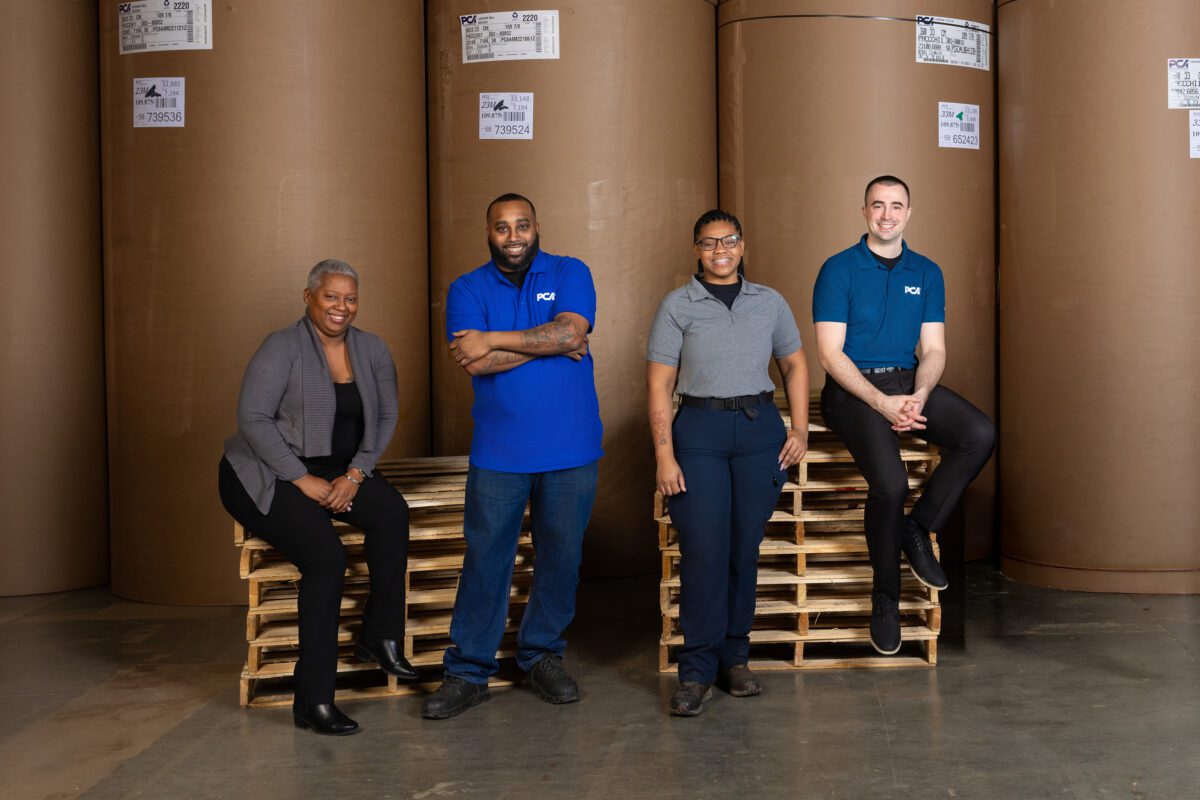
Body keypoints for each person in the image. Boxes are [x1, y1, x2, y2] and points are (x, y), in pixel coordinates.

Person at [421, 193, 603, 720]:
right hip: (499, 453)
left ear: (537, 226)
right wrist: (547, 342)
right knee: (485, 561)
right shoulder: (467, 287)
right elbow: (472, 363)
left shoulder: (571, 271)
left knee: (561, 560)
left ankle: (541, 655)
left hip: (571, 448)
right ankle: (468, 671)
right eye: (502, 227)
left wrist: (495, 340)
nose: (514, 236)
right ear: (489, 232)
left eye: (522, 225)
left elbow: (571, 330)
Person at [218, 259, 414, 736]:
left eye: (350, 298)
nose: (341, 307)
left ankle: (380, 635)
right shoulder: (281, 346)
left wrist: (356, 473)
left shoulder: (370, 348)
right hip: (265, 471)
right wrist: (301, 478)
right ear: (309, 296)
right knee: (326, 558)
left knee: (392, 513)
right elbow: (253, 419)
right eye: (331, 296)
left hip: (336, 471)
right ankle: (314, 701)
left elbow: (385, 417)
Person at [812, 175, 995, 656]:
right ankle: (885, 597)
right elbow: (830, 355)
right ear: (864, 211)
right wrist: (881, 402)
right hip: (852, 390)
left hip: (908, 381)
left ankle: (920, 526)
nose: (887, 215)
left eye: (896, 206)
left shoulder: (927, 271)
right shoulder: (838, 269)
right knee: (890, 483)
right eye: (878, 205)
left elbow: (934, 348)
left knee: (979, 433)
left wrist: (919, 393)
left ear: (909, 213)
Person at [646, 209, 809, 717]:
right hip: (699, 433)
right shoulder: (678, 305)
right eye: (709, 242)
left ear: (742, 244)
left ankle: (735, 659)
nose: (721, 250)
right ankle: (696, 671)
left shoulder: (770, 302)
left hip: (759, 430)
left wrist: (799, 428)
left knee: (744, 549)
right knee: (706, 551)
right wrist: (664, 454)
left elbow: (795, 365)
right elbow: (658, 384)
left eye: (730, 240)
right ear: (696, 249)